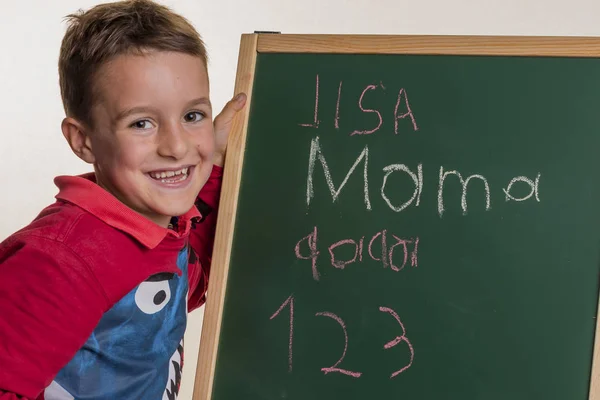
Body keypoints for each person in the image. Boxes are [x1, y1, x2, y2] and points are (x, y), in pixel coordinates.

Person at [0, 0, 246, 398]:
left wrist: (215, 163)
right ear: (84, 141)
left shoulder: (159, 229)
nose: (177, 146)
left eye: (193, 116)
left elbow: (184, 286)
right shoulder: (63, 262)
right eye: (142, 123)